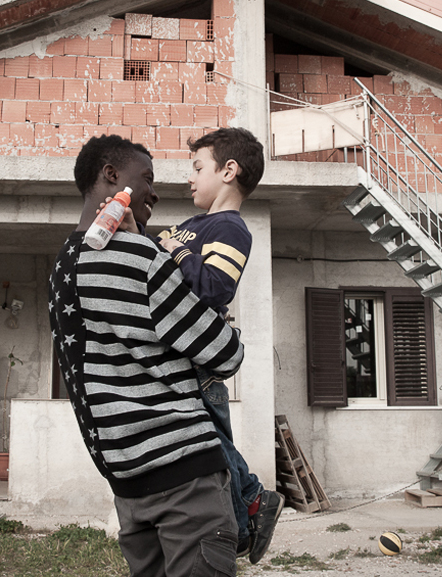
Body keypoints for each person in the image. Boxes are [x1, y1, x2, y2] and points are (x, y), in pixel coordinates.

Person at [48, 134, 245, 577]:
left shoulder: (64, 265)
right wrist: (227, 327)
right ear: (111, 176)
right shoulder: (139, 258)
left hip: (127, 485)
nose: (156, 192)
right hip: (185, 480)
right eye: (147, 179)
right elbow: (225, 354)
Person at [154, 128, 285, 564]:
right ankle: (248, 510)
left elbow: (214, 289)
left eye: (197, 168)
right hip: (179, 357)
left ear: (229, 170)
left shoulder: (231, 228)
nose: (189, 178)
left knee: (208, 446)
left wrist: (176, 252)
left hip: (201, 365)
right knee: (208, 447)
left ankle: (250, 504)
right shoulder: (192, 226)